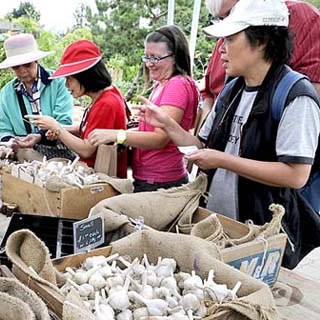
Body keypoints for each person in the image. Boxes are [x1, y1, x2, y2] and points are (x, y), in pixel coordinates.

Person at [135, 0, 320, 268]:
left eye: (231, 39)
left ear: (262, 42)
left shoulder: (295, 95)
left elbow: (296, 174)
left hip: (261, 237)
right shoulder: (231, 91)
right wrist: (168, 125)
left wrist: (222, 160)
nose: (221, 50)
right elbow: (202, 145)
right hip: (217, 227)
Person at [88, 25, 199, 191]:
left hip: (161, 181)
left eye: (155, 58)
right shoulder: (162, 84)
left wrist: (117, 135)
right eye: (146, 57)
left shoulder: (176, 85)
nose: (149, 64)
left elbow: (160, 139)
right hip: (150, 177)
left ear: (174, 57)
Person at [23, 40, 128, 178]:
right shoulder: (107, 94)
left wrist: (57, 128)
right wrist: (56, 129)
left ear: (85, 76)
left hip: (101, 179)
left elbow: (86, 150)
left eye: (69, 78)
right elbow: (91, 128)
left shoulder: (106, 103)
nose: (66, 85)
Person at [200, 0, 320, 118]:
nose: (228, 24)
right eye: (220, 20)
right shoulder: (225, 44)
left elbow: (308, 99)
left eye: (231, 13)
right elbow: (208, 94)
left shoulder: (305, 19)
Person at [0, 33, 75, 160]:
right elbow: (5, 129)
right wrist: (10, 143)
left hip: (58, 151)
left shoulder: (58, 82)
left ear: (37, 61)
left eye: (27, 64)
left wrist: (42, 135)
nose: (22, 70)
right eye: (16, 67)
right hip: (23, 154)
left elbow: (64, 122)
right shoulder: (7, 92)